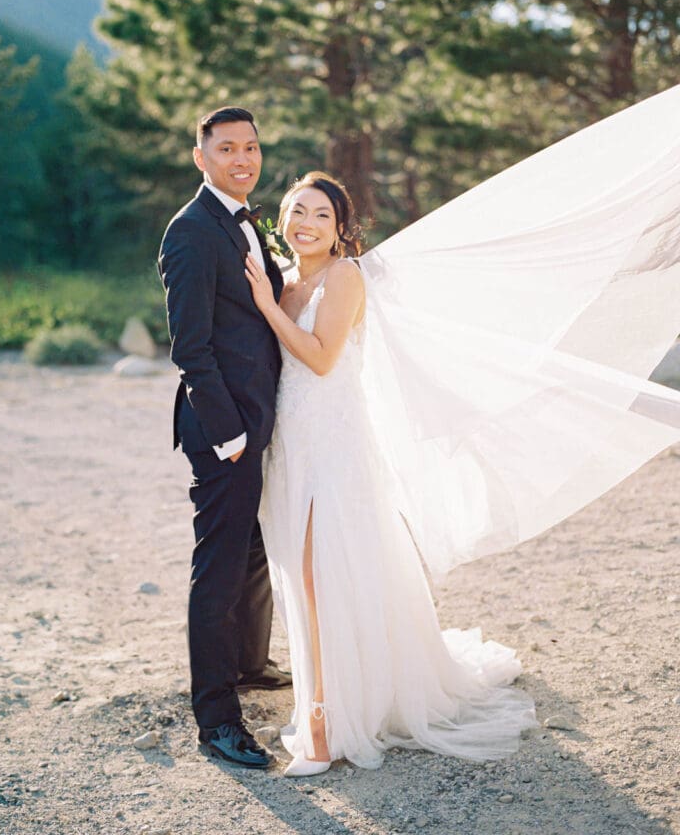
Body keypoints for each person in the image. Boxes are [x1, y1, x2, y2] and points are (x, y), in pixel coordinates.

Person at [245, 84, 680, 775]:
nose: (305, 221)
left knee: (322, 575)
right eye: (296, 209)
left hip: (333, 445)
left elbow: (324, 359)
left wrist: (268, 309)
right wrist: (273, 301)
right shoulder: (290, 282)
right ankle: (328, 702)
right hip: (292, 446)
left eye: (320, 214)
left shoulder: (344, 279)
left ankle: (328, 724)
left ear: (339, 227)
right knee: (304, 579)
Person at [158, 106, 291, 771]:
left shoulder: (247, 219)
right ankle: (217, 719)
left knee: (256, 550)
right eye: (227, 148)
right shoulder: (190, 233)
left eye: (251, 147)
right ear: (200, 155)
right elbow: (192, 350)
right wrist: (230, 434)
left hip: (262, 420)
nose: (243, 159)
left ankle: (248, 662)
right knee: (218, 567)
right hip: (224, 430)